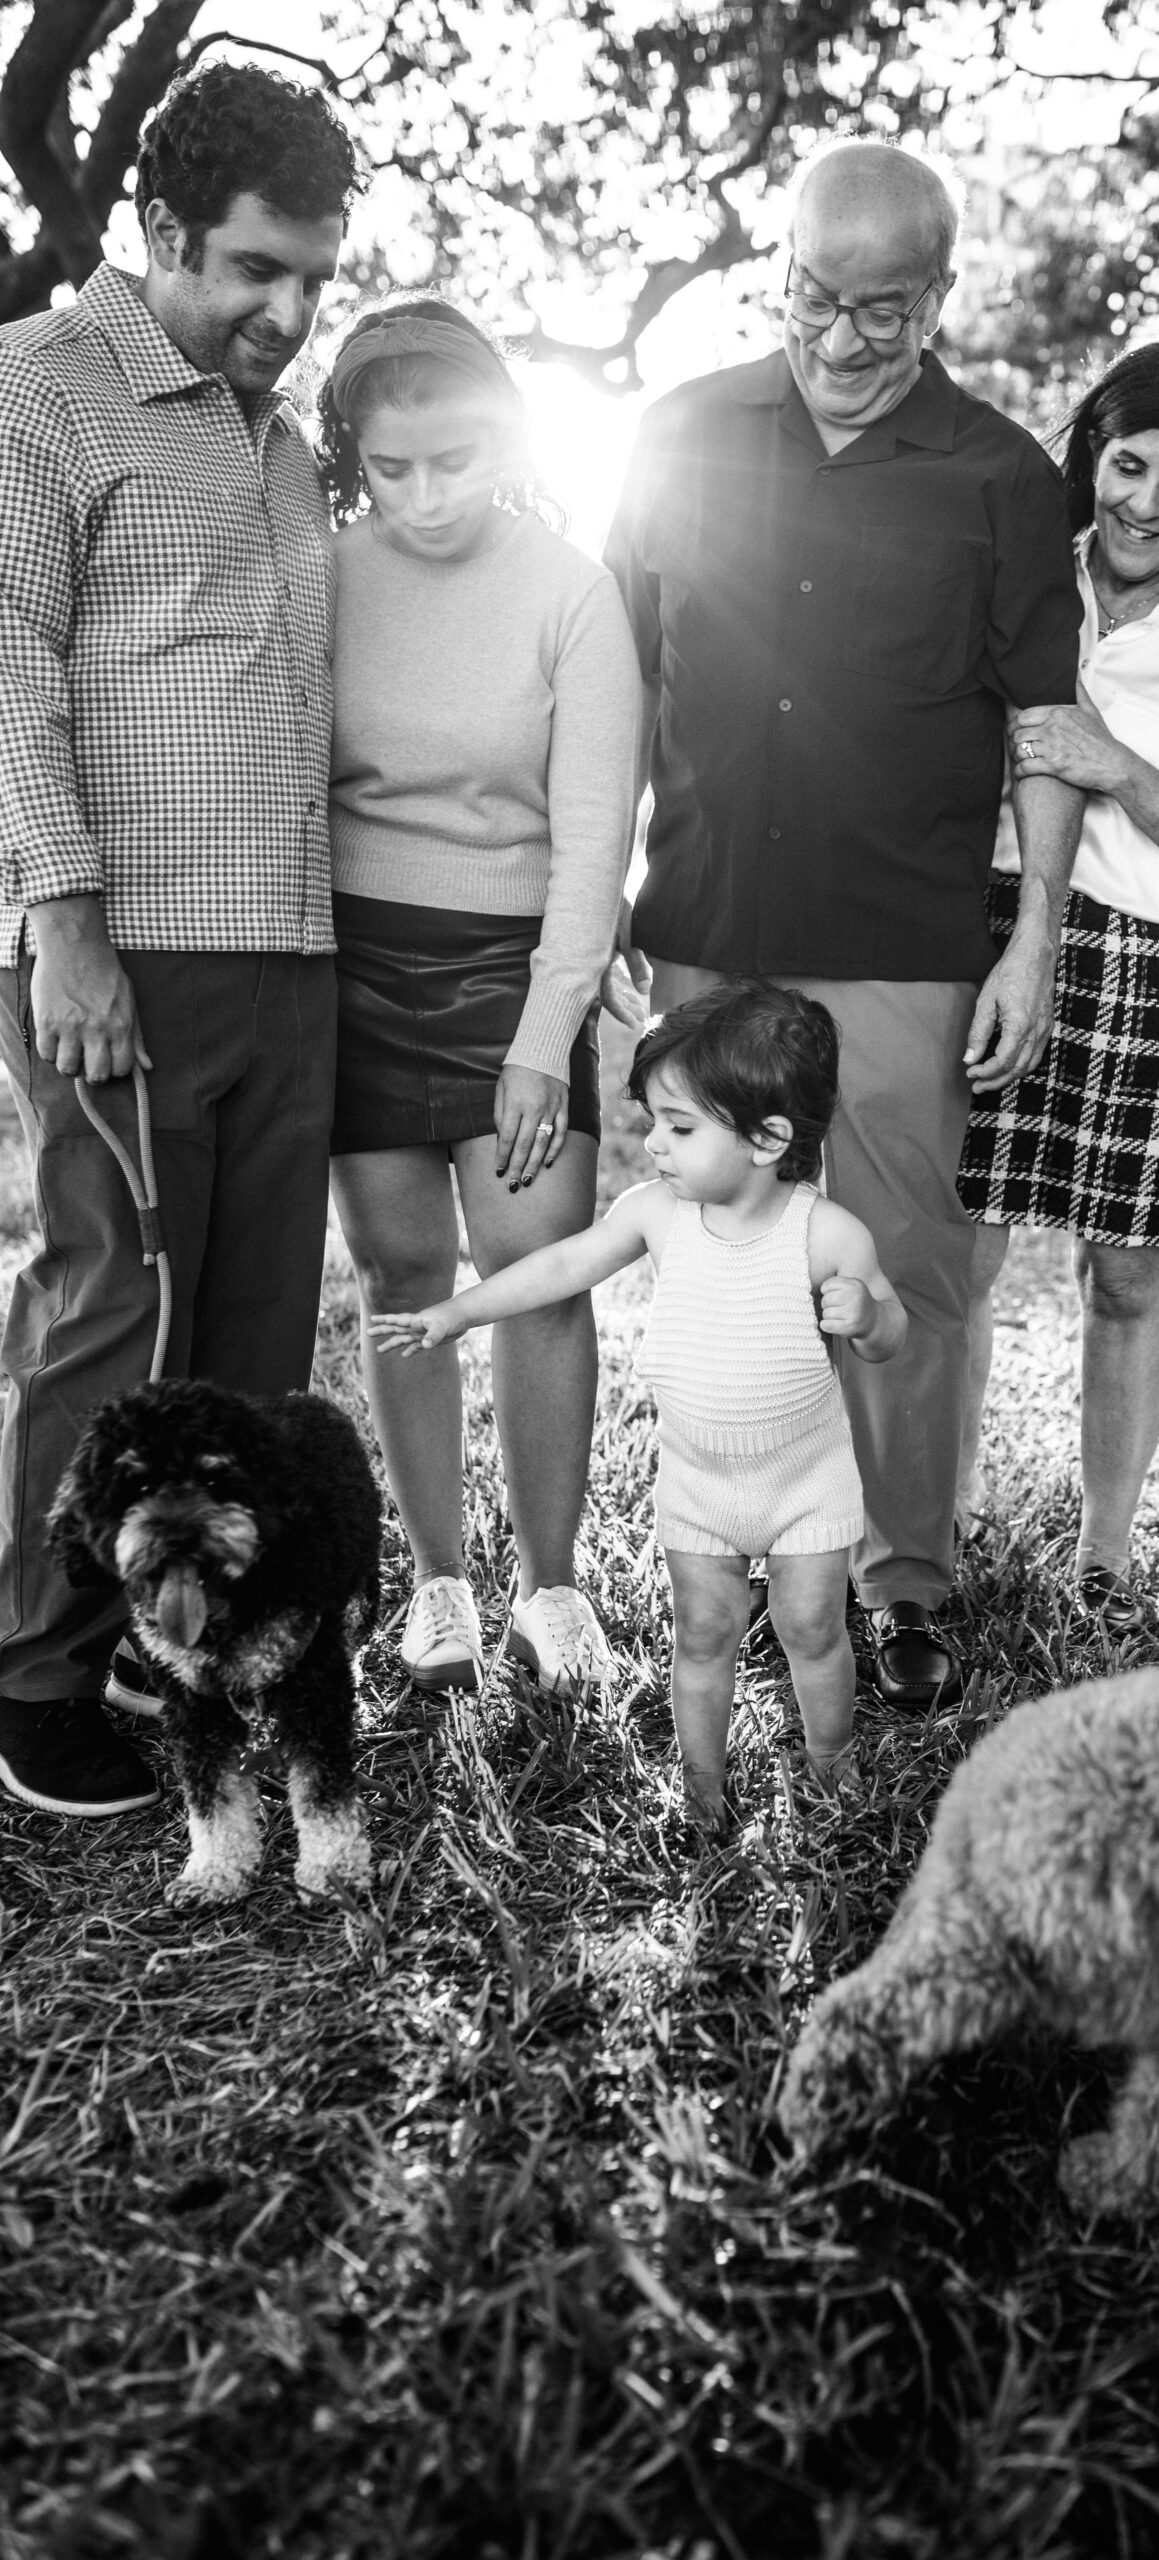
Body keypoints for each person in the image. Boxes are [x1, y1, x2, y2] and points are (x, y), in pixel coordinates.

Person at [604, 141, 1084, 1712]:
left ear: (938, 296)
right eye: (817, 296)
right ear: (781, 274)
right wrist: (602, 881)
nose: (844, 337)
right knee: (721, 1260)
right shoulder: (676, 434)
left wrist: (1028, 947)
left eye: (884, 308)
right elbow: (614, 686)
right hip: (708, 916)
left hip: (901, 933)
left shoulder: (1002, 478)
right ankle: (743, 1564)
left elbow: (1041, 728)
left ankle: (901, 1577)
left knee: (903, 1268)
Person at [0, 65, 362, 1819]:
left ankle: (177, 1645)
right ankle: (35, 1674)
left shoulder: (277, 437)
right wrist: (60, 916)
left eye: (313, 278)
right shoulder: (38, 389)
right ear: (157, 237)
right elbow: (10, 666)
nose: (286, 314)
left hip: (288, 955)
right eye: (253, 272)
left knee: (243, 1345)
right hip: (120, 948)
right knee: (106, 1319)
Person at [318, 302, 644, 1699]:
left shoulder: (571, 590)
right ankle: (440, 1586)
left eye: (453, 458)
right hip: (358, 964)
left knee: (532, 1279)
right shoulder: (322, 575)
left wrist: (540, 1037)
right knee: (402, 1279)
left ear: (504, 434)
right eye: (393, 468)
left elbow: (594, 840)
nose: (426, 493)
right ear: (357, 462)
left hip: (520, 963)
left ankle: (551, 1589)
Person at [370, 984, 906, 1832]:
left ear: (769, 1139)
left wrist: (868, 1318)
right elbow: (559, 1268)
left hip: (806, 1479)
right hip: (698, 1483)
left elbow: (888, 1333)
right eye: (652, 1120)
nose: (652, 1143)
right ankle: (701, 1794)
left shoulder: (827, 1234)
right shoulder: (657, 1213)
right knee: (701, 1633)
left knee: (810, 1629)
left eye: (680, 1128)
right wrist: (460, 1311)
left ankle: (830, 1767)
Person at [956, 343, 1159, 1627]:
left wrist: (1109, 764)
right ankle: (947, 1502)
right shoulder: (1021, 582)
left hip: (1155, 963)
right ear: (1089, 456)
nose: (1145, 503)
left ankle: (1104, 1546)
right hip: (995, 931)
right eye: (1127, 464)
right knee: (958, 1248)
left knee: (1127, 1274)